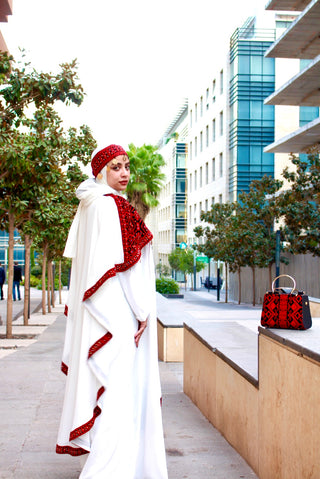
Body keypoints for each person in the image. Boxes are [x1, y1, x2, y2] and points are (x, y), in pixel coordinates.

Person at [56, 144, 168, 479]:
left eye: (126, 166)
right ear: (102, 172)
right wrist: (143, 311)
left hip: (102, 315)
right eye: (116, 167)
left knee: (108, 388)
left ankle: (110, 464)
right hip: (117, 315)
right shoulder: (113, 206)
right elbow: (126, 268)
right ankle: (111, 469)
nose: (124, 173)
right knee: (119, 391)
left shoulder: (91, 205)